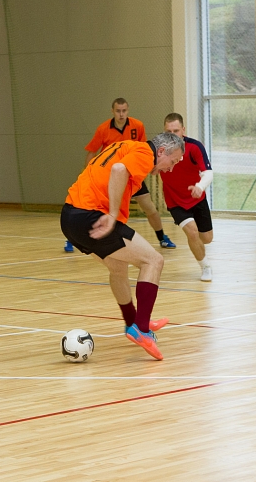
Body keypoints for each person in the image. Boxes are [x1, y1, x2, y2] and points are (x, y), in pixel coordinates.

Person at [61, 132, 184, 360]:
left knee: (118, 268)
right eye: (173, 161)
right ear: (161, 151)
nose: (171, 168)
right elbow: (118, 170)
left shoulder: (125, 146)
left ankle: (132, 323)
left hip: (70, 216)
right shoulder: (145, 153)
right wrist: (113, 214)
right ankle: (141, 328)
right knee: (154, 260)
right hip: (91, 215)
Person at [70, 97, 176, 252]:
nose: (121, 114)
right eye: (118, 111)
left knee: (149, 207)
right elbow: (92, 151)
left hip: (132, 173)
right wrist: (87, 172)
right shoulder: (103, 129)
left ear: (128, 110)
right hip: (111, 177)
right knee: (93, 207)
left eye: (124, 111)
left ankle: (162, 237)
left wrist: (155, 168)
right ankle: (71, 239)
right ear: (112, 111)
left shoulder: (137, 126)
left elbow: (148, 150)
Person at [161, 113, 214, 282]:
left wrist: (199, 186)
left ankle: (197, 245)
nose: (172, 134)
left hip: (197, 197)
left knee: (206, 238)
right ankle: (205, 266)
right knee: (192, 232)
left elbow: (208, 173)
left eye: (176, 130)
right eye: (168, 131)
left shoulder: (195, 147)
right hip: (174, 200)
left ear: (183, 130)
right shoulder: (158, 148)